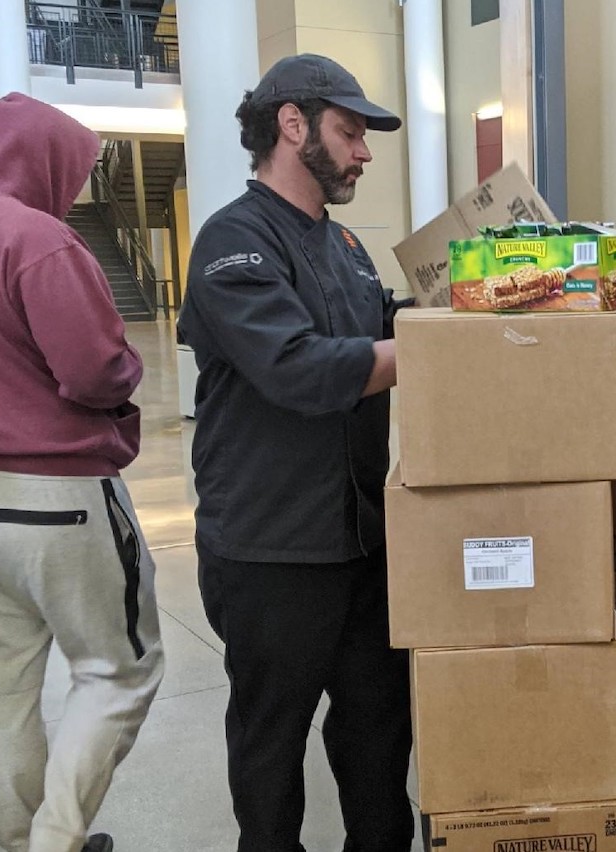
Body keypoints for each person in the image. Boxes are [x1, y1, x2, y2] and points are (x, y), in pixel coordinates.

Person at [176, 54, 413, 852]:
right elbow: (298, 367)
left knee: (380, 734)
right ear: (292, 124)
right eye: (350, 132)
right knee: (271, 745)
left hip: (360, 539)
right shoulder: (231, 242)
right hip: (272, 549)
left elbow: (385, 327)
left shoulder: (344, 244)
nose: (363, 152)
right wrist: (430, 348)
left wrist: (463, 308)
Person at [0, 93, 164, 852]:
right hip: (56, 496)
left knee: (1, 686)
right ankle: (57, 840)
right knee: (118, 671)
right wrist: (130, 362)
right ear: (41, 159)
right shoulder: (36, 240)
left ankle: (19, 840)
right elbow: (97, 372)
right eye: (71, 172)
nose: (73, 191)